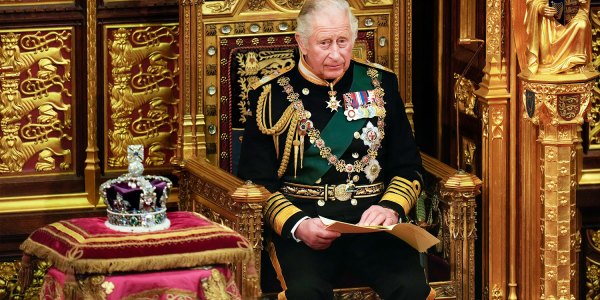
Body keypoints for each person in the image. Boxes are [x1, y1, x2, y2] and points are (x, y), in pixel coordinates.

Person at [238, 0, 434, 299]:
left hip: (374, 227)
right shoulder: (271, 96)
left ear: (353, 40)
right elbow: (256, 181)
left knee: (411, 288)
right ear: (301, 42)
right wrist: (297, 225)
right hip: (307, 227)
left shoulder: (380, 84)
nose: (335, 54)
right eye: (324, 43)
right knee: (305, 293)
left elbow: (407, 164)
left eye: (343, 42)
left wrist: (390, 208)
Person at [524, 0, 592, 74]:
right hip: (550, 14)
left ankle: (575, 62)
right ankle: (552, 63)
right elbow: (532, 2)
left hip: (571, 8)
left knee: (581, 25)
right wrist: (541, 8)